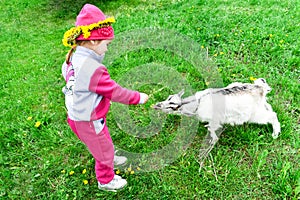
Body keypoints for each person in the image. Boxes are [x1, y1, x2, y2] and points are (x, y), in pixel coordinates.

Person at [61, 4, 148, 191]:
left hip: (76, 116)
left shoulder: (74, 57)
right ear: (93, 41)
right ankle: (106, 180)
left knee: (102, 142)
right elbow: (115, 92)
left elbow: (66, 73)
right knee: (103, 150)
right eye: (106, 44)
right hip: (88, 120)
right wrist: (138, 97)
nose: (107, 50)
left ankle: (106, 154)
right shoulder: (93, 70)